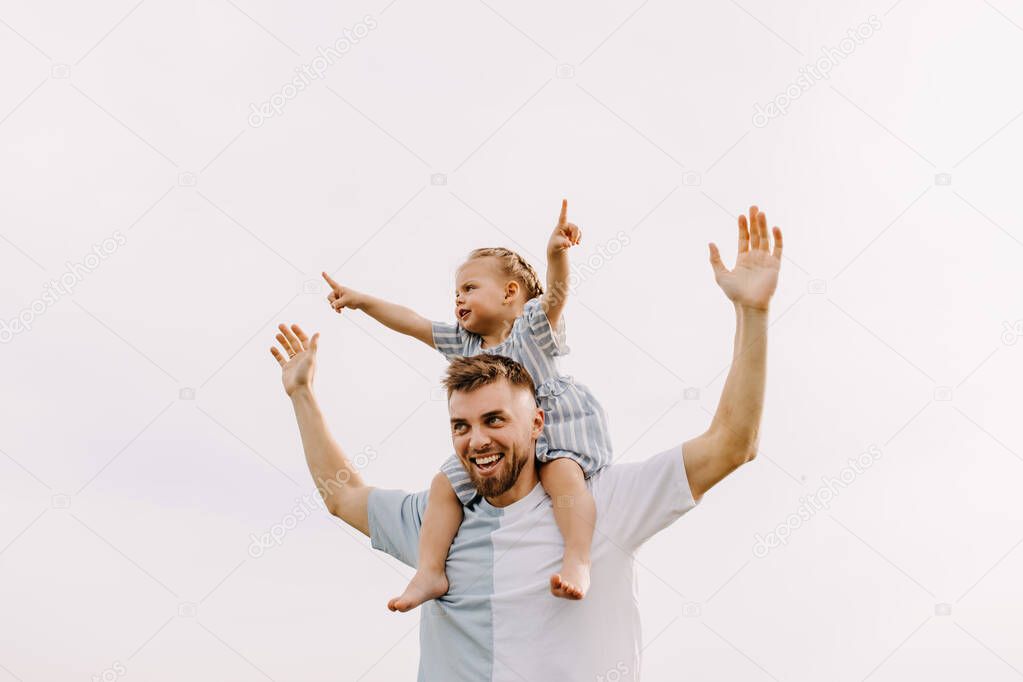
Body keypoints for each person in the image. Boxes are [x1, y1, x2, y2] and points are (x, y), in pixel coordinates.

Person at [270, 205, 783, 681]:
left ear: (537, 421)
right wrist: (300, 394)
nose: (477, 441)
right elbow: (342, 496)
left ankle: (575, 559)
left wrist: (752, 315)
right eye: (461, 426)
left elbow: (732, 443)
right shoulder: (441, 524)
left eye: (495, 419)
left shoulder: (598, 500)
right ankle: (430, 576)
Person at [320, 199, 612, 610]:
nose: (458, 299)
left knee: (562, 474)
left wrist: (556, 257)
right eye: (456, 292)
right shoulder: (467, 343)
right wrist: (363, 301)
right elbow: (414, 323)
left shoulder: (530, 326)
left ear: (511, 293)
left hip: (553, 429)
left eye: (470, 288)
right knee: (444, 484)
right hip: (497, 441)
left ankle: (577, 558)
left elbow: (556, 298)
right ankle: (430, 571)